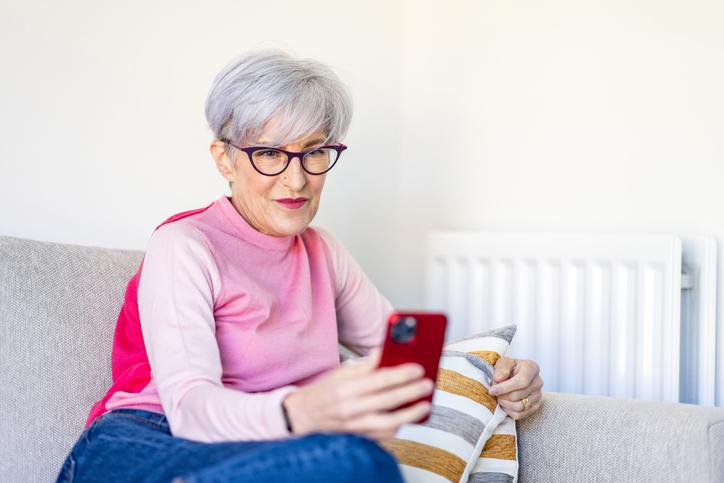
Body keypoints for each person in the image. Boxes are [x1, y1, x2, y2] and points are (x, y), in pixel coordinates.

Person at [57, 49, 543, 483]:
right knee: (357, 462)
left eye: (314, 153)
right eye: (269, 153)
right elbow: (189, 411)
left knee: (351, 459)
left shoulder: (322, 251)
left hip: (268, 452)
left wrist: (499, 375)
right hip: (146, 442)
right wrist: (301, 409)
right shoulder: (184, 245)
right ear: (225, 159)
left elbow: (403, 361)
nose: (296, 179)